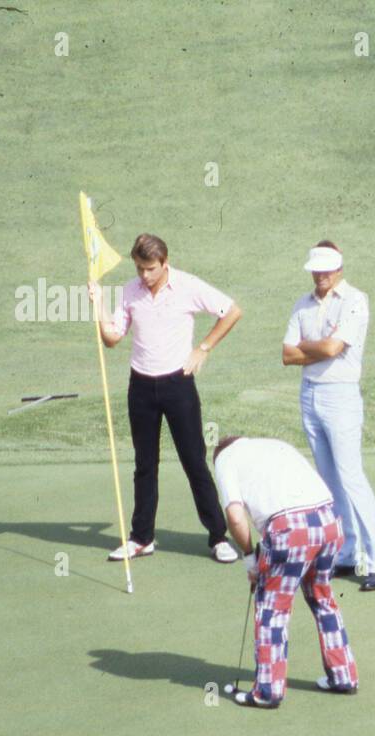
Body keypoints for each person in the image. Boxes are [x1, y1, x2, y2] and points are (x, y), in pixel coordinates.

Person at [90, 233, 241, 564]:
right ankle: (142, 537)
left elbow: (231, 311)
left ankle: (218, 536)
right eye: (140, 268)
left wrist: (203, 348)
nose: (144, 275)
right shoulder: (130, 291)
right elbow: (112, 338)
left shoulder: (187, 286)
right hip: (141, 386)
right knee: (145, 464)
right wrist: (98, 303)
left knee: (193, 462)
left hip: (178, 384)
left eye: (150, 269)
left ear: (164, 264)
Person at [213, 435, 358, 707]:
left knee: (272, 608)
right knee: (322, 598)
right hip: (328, 522)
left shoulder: (223, 459)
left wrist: (249, 559)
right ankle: (344, 676)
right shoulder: (275, 444)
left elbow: (234, 516)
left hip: (289, 529)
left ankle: (267, 691)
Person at [282, 241, 375, 591]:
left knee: (351, 476)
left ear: (339, 268)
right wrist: (319, 349)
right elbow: (287, 354)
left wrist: (310, 347)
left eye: (327, 269)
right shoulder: (303, 303)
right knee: (329, 481)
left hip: (341, 395)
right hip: (309, 395)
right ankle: (345, 554)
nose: (320, 275)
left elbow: (333, 347)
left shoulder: (355, 300)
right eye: (316, 269)